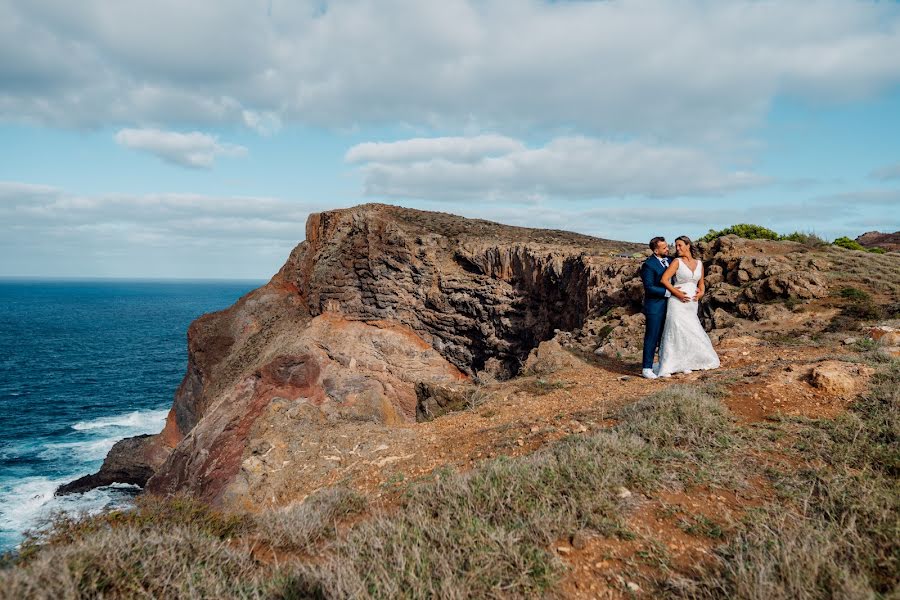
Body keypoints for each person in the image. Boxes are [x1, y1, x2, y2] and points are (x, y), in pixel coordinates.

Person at [655, 235, 720, 378]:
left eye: (680, 245)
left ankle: (688, 362)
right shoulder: (676, 262)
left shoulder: (699, 263)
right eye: (676, 246)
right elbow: (664, 280)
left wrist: (701, 293)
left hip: (692, 303)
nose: (677, 248)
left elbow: (701, 283)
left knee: (691, 330)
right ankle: (672, 364)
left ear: (688, 245)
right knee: (677, 330)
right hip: (677, 302)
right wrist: (677, 293)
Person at [639, 236, 671, 379]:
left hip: (671, 306)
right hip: (655, 306)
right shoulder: (649, 265)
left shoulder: (670, 261)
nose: (668, 249)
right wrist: (667, 292)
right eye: (664, 248)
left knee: (665, 337)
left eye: (667, 246)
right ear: (656, 250)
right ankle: (647, 367)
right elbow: (649, 287)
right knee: (652, 336)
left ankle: (661, 364)